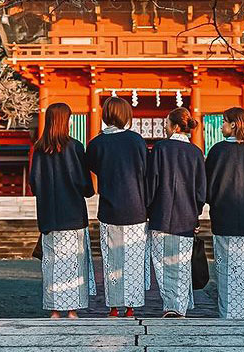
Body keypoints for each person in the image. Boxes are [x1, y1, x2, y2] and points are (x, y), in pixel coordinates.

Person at [29, 102, 96, 319]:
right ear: (64, 120)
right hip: (73, 215)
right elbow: (85, 184)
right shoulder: (75, 147)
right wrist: (87, 190)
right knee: (73, 263)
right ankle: (72, 310)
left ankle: (54, 309)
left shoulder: (39, 149)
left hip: (49, 215)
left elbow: (35, 184)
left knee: (52, 263)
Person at [86, 97, 149, 317]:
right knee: (132, 258)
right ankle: (131, 306)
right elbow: (145, 171)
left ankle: (113, 306)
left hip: (110, 207)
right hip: (136, 207)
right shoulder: (136, 140)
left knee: (112, 258)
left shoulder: (96, 143)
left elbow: (93, 167)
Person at [205, 106, 244, 319]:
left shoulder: (217, 151)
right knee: (243, 268)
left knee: (225, 272)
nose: (221, 125)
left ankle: (227, 314)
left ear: (233, 124)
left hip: (222, 216)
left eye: (223, 121)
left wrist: (214, 201)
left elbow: (208, 187)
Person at [147, 107, 206, 317]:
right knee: (181, 263)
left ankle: (171, 305)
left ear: (175, 126)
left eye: (166, 122)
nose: (164, 126)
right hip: (187, 216)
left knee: (162, 263)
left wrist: (148, 206)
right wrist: (196, 212)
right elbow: (201, 190)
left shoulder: (160, 149)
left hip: (160, 215)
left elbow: (151, 182)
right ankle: (179, 306)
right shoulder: (196, 152)